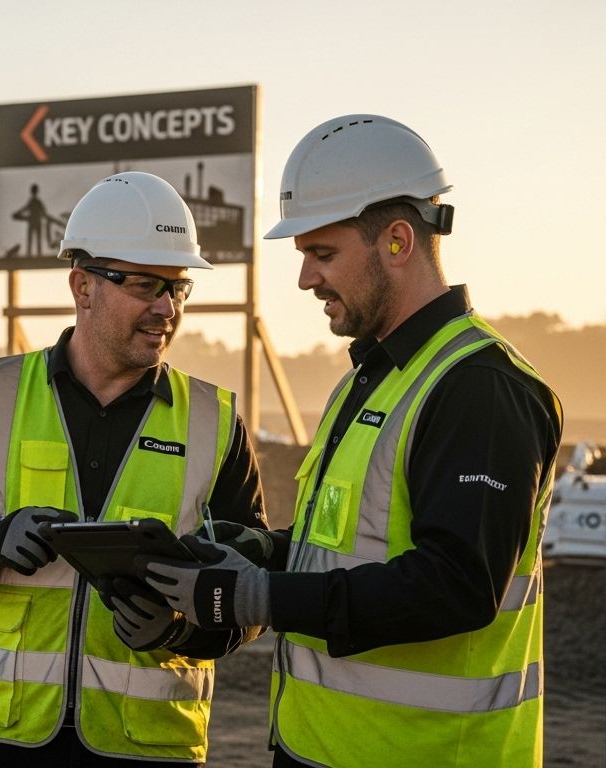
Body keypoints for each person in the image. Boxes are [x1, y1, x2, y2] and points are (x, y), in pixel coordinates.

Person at [139, 115, 563, 767]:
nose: (305, 278)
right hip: (321, 748)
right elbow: (349, 549)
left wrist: (257, 596)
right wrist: (262, 552)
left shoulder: (479, 388)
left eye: (323, 254)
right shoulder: (373, 378)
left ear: (398, 241)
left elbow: (456, 586)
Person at [0, 171, 268, 767]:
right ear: (83, 285)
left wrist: (178, 630)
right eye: (146, 285)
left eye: (178, 288)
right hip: (1, 740)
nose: (167, 308)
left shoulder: (214, 422)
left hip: (147, 748)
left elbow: (250, 592)